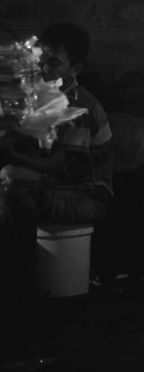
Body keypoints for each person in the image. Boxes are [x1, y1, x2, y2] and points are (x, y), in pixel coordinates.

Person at [0, 23, 113, 298]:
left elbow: (57, 165)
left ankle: (28, 271)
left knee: (12, 177)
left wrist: (13, 155)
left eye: (54, 64)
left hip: (86, 194)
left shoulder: (78, 105)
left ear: (75, 68)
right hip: (57, 185)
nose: (44, 70)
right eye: (42, 62)